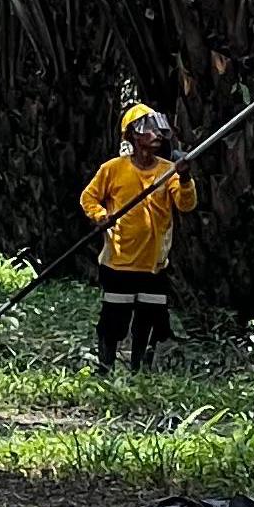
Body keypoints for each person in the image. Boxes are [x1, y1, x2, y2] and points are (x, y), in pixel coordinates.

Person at [80, 101, 196, 373]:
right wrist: (100, 216)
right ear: (132, 136)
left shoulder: (168, 170)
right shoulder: (113, 169)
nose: (155, 135)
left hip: (154, 264)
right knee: (114, 319)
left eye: (158, 130)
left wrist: (186, 178)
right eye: (147, 130)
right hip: (118, 262)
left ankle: (139, 369)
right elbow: (89, 197)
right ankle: (105, 365)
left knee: (149, 318)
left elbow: (185, 204)